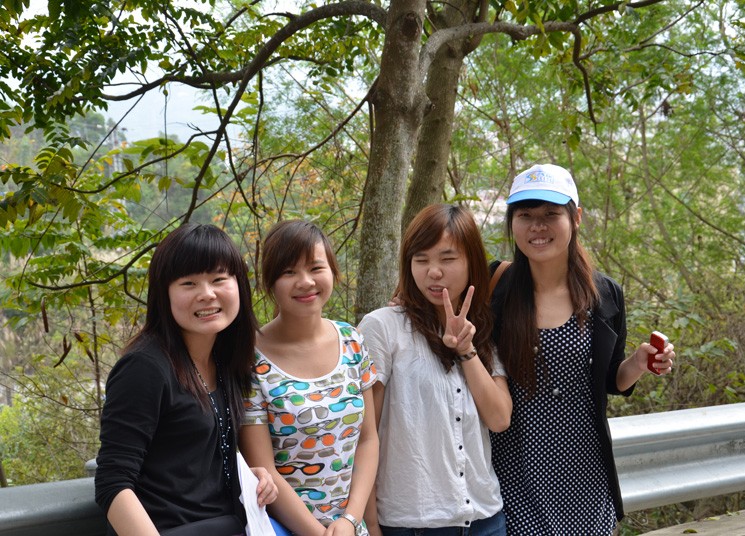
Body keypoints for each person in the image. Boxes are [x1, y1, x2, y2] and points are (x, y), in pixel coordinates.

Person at [488, 164, 677, 535]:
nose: (537, 226)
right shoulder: (495, 286)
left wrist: (638, 363)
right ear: (512, 222)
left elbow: (611, 381)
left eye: (550, 214)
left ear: (575, 217)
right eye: (525, 216)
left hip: (584, 474)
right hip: (511, 473)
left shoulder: (604, 294)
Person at [94, 223, 277, 536]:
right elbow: (113, 482)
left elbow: (189, 464)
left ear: (239, 285)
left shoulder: (226, 359)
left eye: (219, 279)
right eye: (188, 283)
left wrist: (246, 477)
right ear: (164, 294)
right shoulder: (144, 367)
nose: (207, 294)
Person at [358, 204, 513, 536]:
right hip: (414, 525)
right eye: (421, 260)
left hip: (486, 520)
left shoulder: (482, 330)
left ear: (472, 262)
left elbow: (500, 418)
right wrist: (370, 524)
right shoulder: (382, 328)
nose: (433, 272)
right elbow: (364, 435)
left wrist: (466, 350)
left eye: (447, 259)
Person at [240, 220, 379, 536]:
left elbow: (368, 439)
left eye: (316, 268)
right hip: (282, 528)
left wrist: (351, 519)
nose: (305, 282)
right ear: (269, 282)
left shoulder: (352, 340)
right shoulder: (249, 358)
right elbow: (263, 468)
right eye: (289, 272)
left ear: (333, 272)